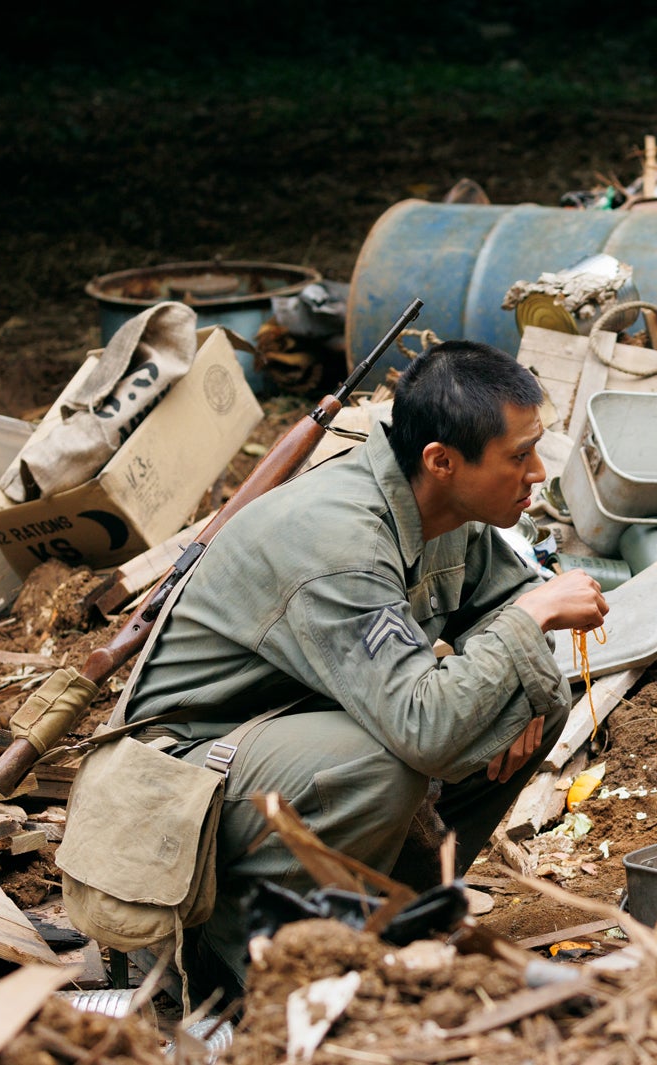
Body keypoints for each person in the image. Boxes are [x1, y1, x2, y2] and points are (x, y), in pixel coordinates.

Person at [121, 341, 608, 992]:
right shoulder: (339, 540)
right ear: (441, 461)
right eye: (519, 456)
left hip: (289, 737)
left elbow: (508, 604)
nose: (538, 472)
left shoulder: (445, 508)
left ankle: (393, 925)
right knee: (383, 764)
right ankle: (246, 967)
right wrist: (529, 621)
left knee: (525, 699)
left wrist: (524, 673)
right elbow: (426, 728)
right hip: (185, 781)